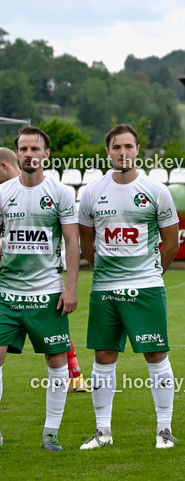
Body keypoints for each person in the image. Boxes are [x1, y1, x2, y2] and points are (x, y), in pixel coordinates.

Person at [78, 124, 180, 449]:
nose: (123, 153)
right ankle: (103, 432)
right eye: (117, 147)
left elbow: (172, 241)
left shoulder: (156, 190)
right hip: (105, 289)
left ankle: (164, 431)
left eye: (129, 147)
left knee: (156, 354)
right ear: (107, 151)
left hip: (146, 288)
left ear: (138, 150)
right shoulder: (92, 192)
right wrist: (104, 273)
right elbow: (86, 240)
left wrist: (151, 273)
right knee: (104, 355)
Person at [0, 127, 80, 451]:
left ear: (46, 154)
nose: (29, 154)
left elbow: (73, 241)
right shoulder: (3, 193)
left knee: (57, 362)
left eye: (35, 149)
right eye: (23, 149)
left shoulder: (60, 193)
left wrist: (71, 287)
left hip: (47, 292)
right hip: (6, 292)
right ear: (17, 154)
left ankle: (51, 432)